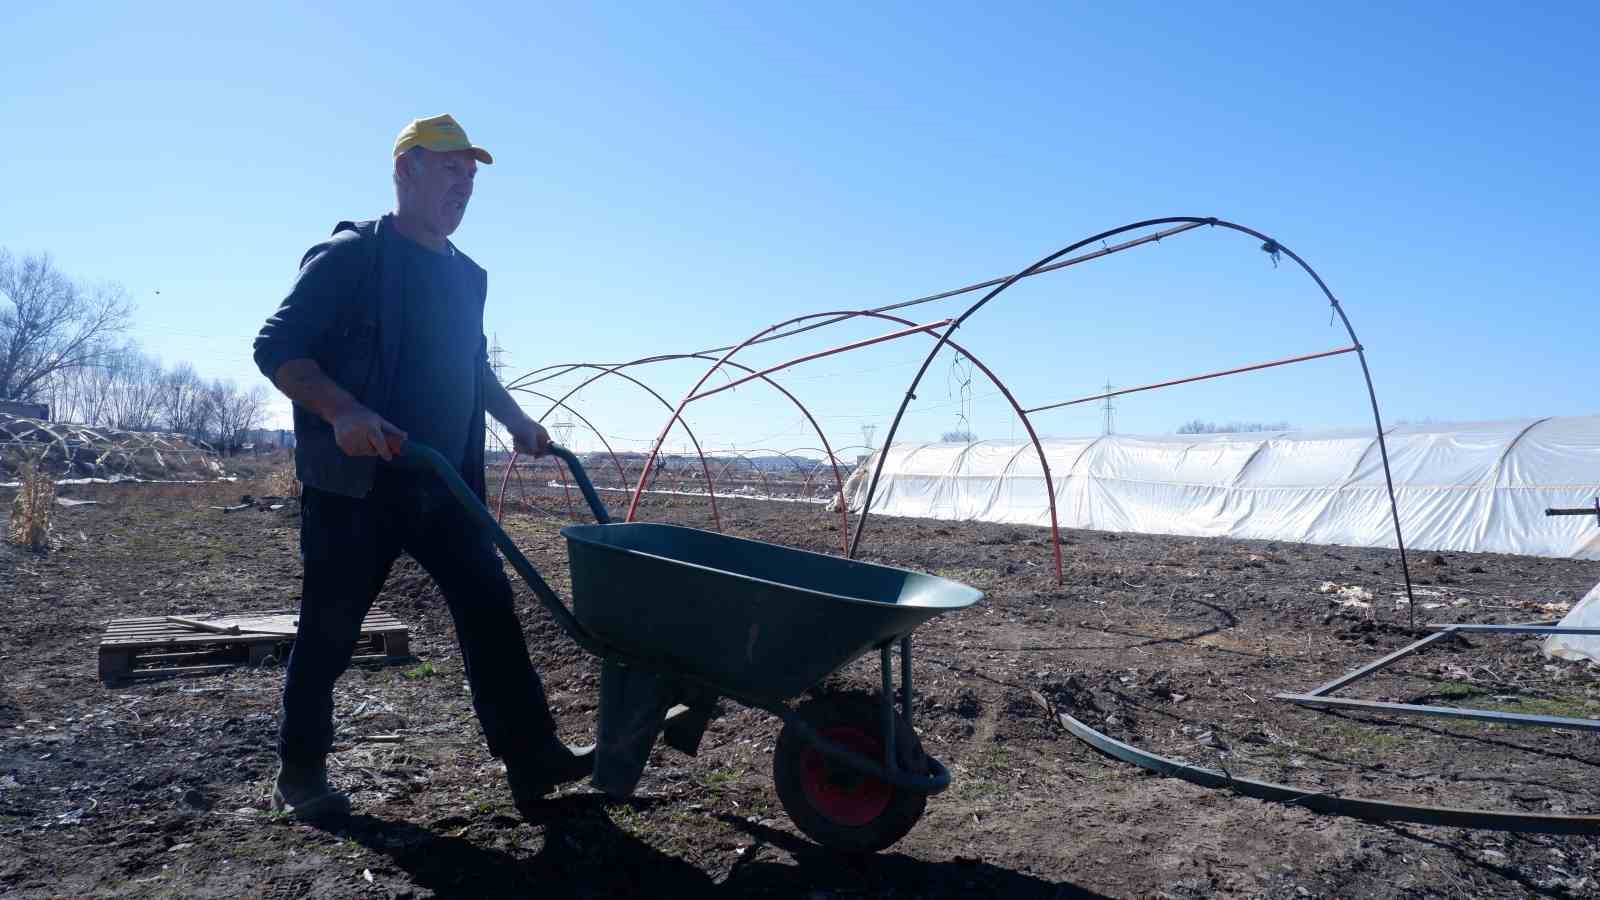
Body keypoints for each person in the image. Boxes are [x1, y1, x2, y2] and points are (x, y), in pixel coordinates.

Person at [252, 114, 591, 823]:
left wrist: (515, 419)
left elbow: (471, 365)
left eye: (470, 178)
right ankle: (301, 770)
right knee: (332, 628)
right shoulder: (350, 257)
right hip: (358, 488)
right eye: (449, 171)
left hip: (445, 482)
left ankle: (531, 758)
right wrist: (343, 411)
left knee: (491, 612)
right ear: (404, 170)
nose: (463, 189)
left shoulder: (467, 277)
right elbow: (277, 345)